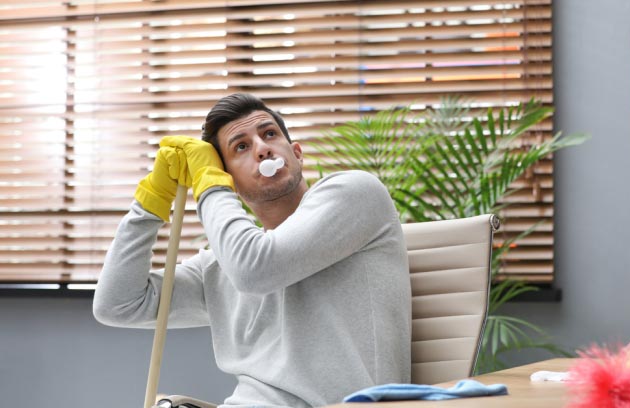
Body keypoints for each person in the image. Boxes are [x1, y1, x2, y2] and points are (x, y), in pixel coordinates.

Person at [93, 93, 412, 408]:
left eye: (269, 134)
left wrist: (210, 188)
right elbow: (117, 304)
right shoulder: (222, 266)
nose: (262, 149)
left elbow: (257, 270)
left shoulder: (354, 193)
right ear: (229, 178)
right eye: (241, 146)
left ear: (297, 153)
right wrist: (150, 203)